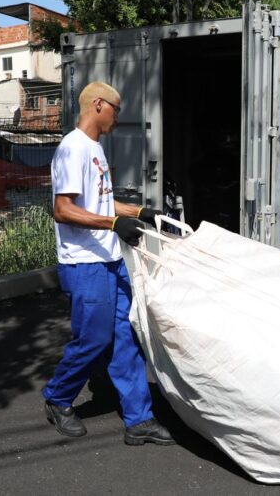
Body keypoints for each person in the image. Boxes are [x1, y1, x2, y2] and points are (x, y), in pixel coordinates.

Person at [42, 81, 173, 446]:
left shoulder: (95, 149)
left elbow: (99, 203)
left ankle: (139, 419)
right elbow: (63, 209)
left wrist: (139, 212)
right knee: (95, 339)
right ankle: (57, 397)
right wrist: (114, 224)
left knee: (126, 337)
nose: (119, 116)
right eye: (117, 108)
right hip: (84, 263)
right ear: (98, 104)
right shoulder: (73, 148)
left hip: (109, 259)